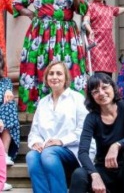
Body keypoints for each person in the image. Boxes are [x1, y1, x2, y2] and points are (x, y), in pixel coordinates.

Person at [13, 0, 88, 113]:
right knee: (40, 69)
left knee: (66, 69)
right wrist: (30, 14)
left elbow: (82, 9)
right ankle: (37, 110)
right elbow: (17, 4)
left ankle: (70, 109)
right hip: (40, 36)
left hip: (65, 35)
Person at [26, 61, 96, 193]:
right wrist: (36, 142)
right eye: (51, 74)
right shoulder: (43, 103)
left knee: (49, 153)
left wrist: (61, 141)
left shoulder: (77, 98)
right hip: (48, 151)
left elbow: (84, 130)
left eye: (59, 73)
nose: (54, 77)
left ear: (66, 78)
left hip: (73, 150)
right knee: (31, 156)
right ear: (46, 78)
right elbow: (35, 130)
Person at [69, 73, 124, 193]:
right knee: (79, 173)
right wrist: (94, 175)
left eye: (104, 87)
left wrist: (117, 145)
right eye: (95, 91)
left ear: (113, 88)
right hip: (104, 172)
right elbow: (83, 152)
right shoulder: (91, 118)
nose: (101, 93)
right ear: (92, 96)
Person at [0, 48, 20, 168]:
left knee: (9, 105)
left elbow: (9, 91)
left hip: (3, 120)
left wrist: (8, 91)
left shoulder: (5, 81)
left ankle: (4, 154)